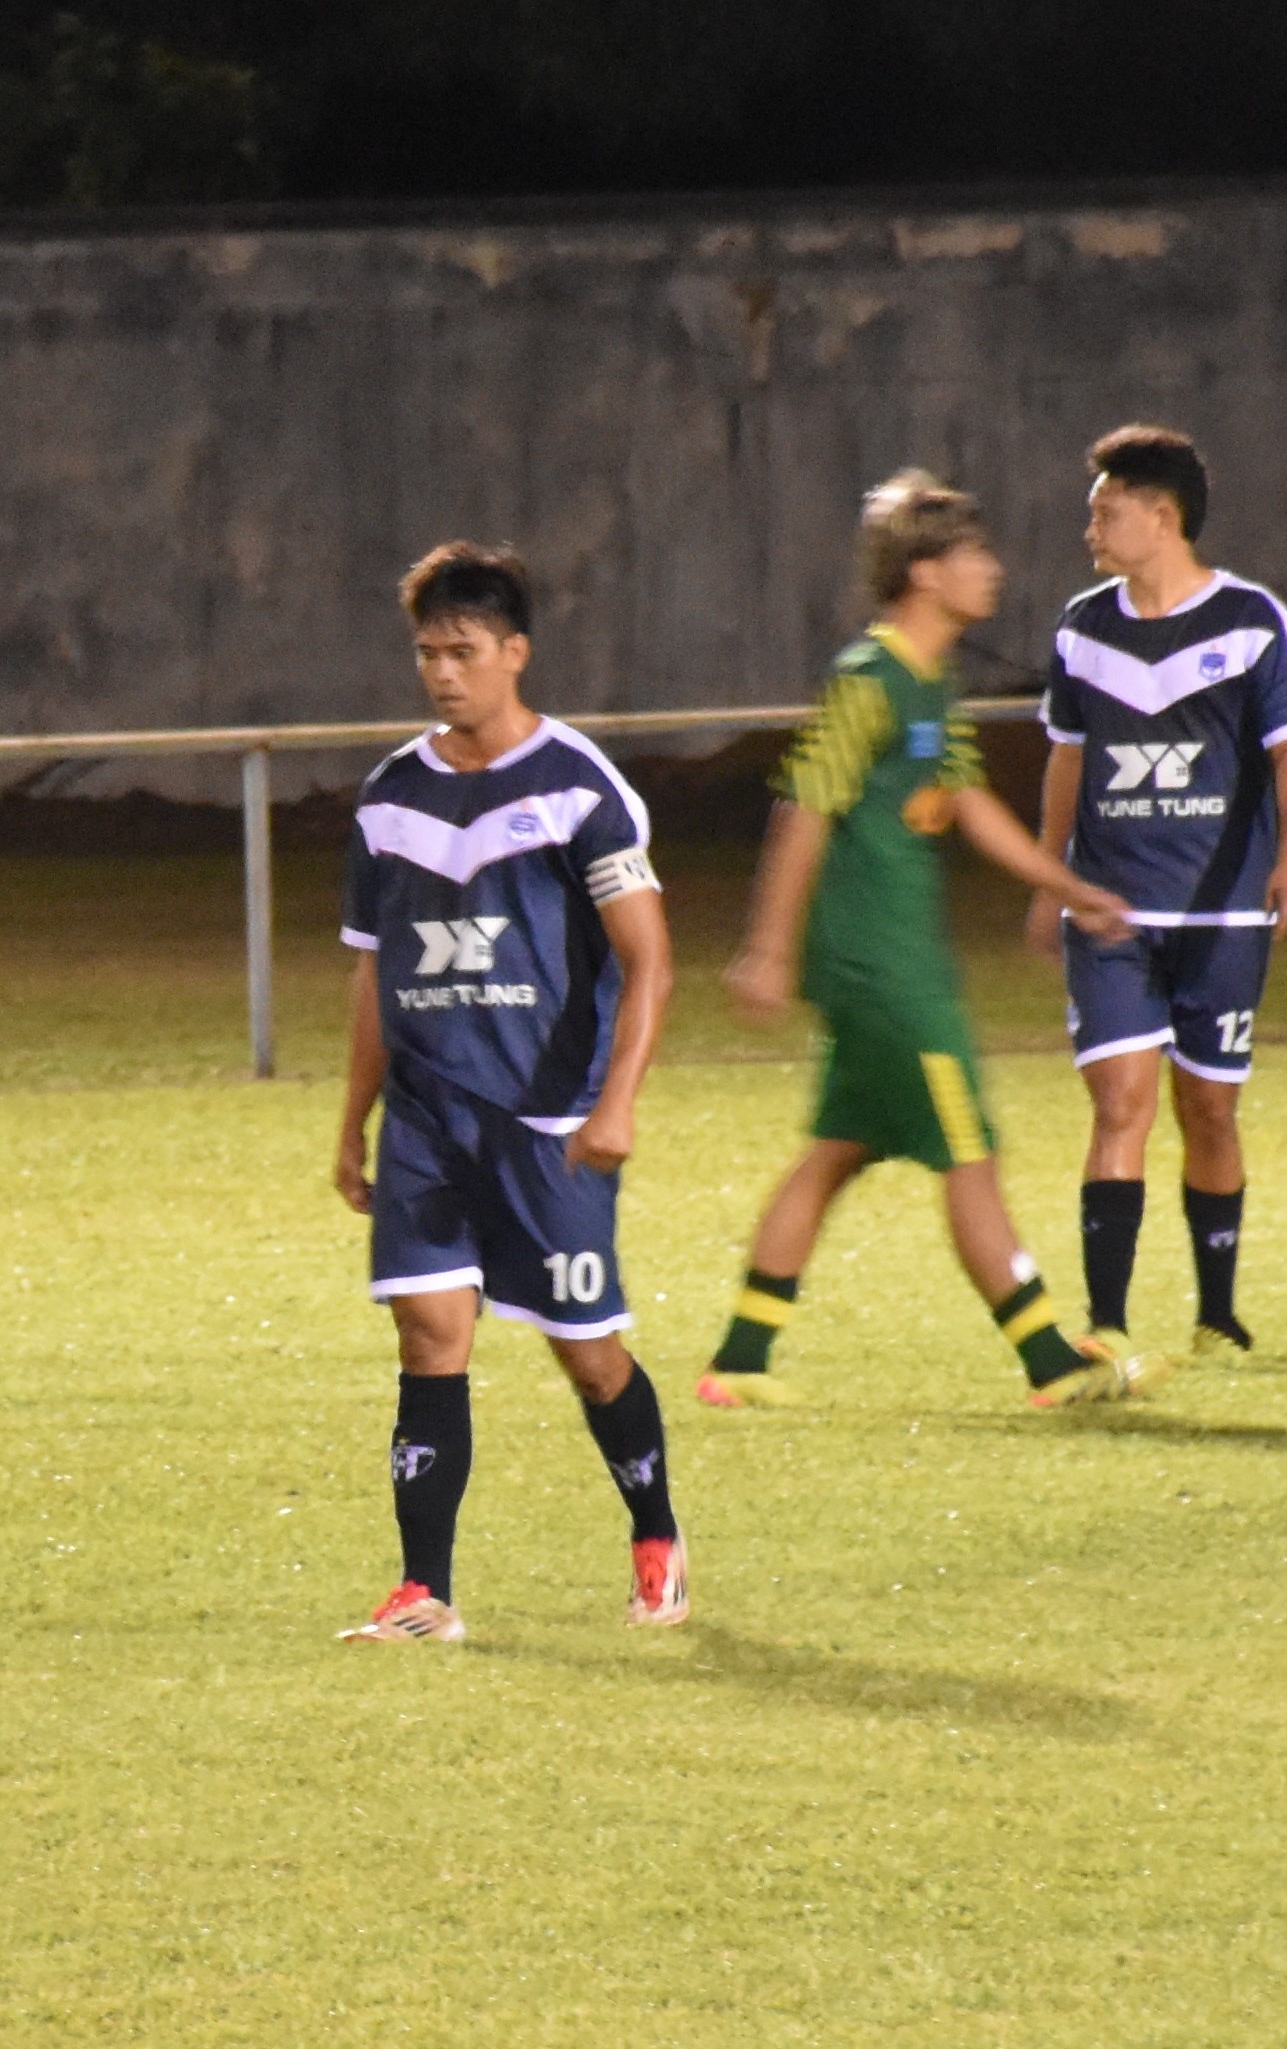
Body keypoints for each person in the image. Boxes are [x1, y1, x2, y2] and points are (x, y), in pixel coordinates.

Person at [698, 470, 1157, 1414]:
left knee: (834, 1149)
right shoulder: (869, 681)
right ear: (923, 573)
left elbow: (969, 802)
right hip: (882, 969)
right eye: (972, 556)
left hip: (892, 961)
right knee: (968, 1151)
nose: (991, 571)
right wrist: (768, 948)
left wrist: (1064, 886)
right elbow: (803, 808)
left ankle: (739, 1360)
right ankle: (1050, 1363)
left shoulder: (927, 681)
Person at [331, 542, 686, 1643]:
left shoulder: (580, 787)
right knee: (431, 1335)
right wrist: (352, 1122)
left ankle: (657, 1537)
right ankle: (423, 1590)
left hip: (547, 1124)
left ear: (515, 653)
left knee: (586, 1353)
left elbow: (651, 958)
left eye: (464, 650)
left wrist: (617, 1102)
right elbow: (370, 970)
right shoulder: (390, 796)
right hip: (430, 1118)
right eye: (428, 652)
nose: (443, 672)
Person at [1028, 426, 1287, 1366]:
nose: (1090, 526)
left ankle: (1217, 1312)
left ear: (1160, 518)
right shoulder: (1083, 627)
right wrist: (1050, 877)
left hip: (1224, 910)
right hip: (1111, 908)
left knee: (1208, 1108)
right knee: (1120, 1102)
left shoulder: (1247, 620)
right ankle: (1108, 1321)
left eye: (1105, 509)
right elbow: (1066, 759)